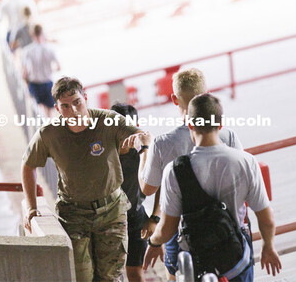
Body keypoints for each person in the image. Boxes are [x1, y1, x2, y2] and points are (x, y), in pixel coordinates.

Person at [143, 93, 282, 281]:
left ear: (190, 125)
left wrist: (153, 242)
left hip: (197, 262)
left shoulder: (174, 171)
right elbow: (266, 218)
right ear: (220, 123)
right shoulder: (245, 161)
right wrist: (268, 246)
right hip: (236, 259)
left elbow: (168, 228)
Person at [22, 77, 149, 281]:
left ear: (86, 98)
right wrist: (31, 207)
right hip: (73, 213)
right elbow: (28, 166)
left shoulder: (109, 121)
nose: (73, 110)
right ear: (57, 108)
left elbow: (143, 136)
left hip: (111, 211)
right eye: (65, 106)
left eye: (77, 102)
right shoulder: (49, 133)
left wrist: (142, 146)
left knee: (110, 277)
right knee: (82, 276)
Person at [138, 68, 243, 280]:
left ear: (175, 100)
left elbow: (148, 188)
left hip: (179, 230)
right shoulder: (227, 134)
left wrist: (144, 151)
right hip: (224, 225)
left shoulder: (163, 144)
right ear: (207, 94)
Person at [110, 103, 159, 282]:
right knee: (108, 275)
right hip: (108, 220)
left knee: (135, 274)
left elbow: (159, 183)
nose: (126, 135)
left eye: (131, 129)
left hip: (135, 218)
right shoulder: (103, 151)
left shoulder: (141, 153)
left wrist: (154, 218)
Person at [22, 24, 61, 117]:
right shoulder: (50, 49)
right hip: (47, 82)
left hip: (35, 83)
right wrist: (50, 70)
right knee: (50, 114)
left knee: (39, 112)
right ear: (43, 34)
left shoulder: (27, 50)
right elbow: (59, 67)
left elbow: (24, 73)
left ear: (32, 35)